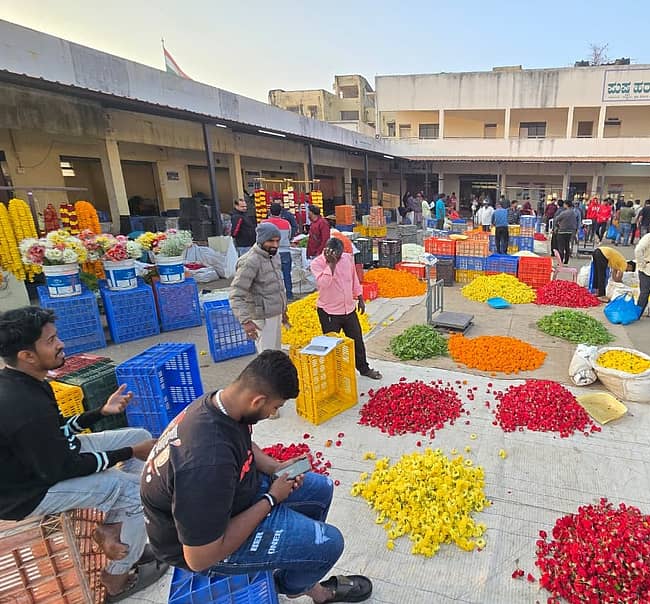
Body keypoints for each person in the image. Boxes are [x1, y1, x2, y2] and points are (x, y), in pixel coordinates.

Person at [140, 350, 373, 602]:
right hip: (202, 544)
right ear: (257, 400)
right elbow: (199, 558)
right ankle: (297, 587)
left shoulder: (223, 404)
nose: (273, 413)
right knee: (330, 543)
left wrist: (274, 467)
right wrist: (271, 500)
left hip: (231, 496)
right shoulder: (205, 463)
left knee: (321, 489)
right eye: (275, 407)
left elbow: (244, 443)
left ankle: (296, 565)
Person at [0, 307, 166, 601]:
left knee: (140, 436)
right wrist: (127, 452)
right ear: (27, 355)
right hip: (28, 492)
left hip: (47, 459)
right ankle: (117, 576)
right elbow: (64, 468)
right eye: (50, 340)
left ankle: (113, 530)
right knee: (137, 491)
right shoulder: (24, 406)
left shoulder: (27, 381)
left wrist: (100, 413)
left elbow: (60, 431)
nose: (61, 343)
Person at [311, 238, 382, 380]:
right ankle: (334, 375)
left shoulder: (346, 259)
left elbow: (353, 278)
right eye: (335, 255)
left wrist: (360, 297)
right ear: (327, 251)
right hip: (329, 312)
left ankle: (364, 369)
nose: (338, 258)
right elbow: (323, 284)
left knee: (357, 340)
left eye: (340, 254)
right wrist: (331, 265)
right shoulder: (317, 263)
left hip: (348, 309)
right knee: (331, 345)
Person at [230, 223, 289, 354]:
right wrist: (246, 322)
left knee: (276, 356)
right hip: (261, 318)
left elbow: (278, 286)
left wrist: (283, 310)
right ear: (261, 240)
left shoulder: (274, 256)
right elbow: (236, 295)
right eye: (270, 241)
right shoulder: (250, 261)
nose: (275, 245)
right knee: (266, 358)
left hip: (275, 315)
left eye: (277, 241)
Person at [262, 203, 294, 301]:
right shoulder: (286, 223)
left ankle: (274, 296)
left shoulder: (264, 223)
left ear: (270, 212)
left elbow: (260, 238)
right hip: (285, 251)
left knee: (271, 275)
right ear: (281, 212)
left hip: (270, 252)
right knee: (286, 274)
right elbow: (289, 236)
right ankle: (289, 295)